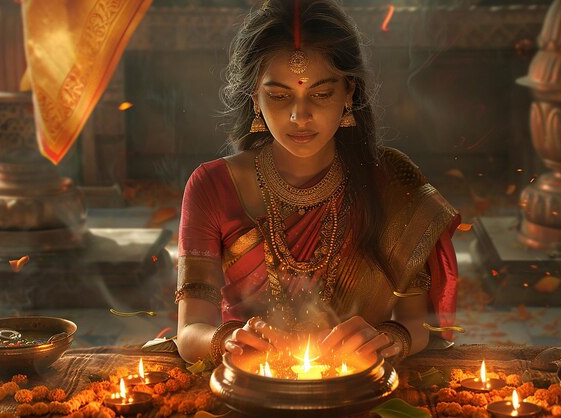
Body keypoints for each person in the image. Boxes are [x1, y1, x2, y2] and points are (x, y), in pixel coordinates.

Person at [175, 0, 460, 366]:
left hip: (357, 379)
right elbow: (190, 330)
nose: (300, 116)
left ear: (349, 93)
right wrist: (227, 341)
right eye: (279, 96)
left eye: (322, 93)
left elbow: (416, 323)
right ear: (255, 99)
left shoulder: (390, 181)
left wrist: (389, 340)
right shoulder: (211, 186)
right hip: (251, 379)